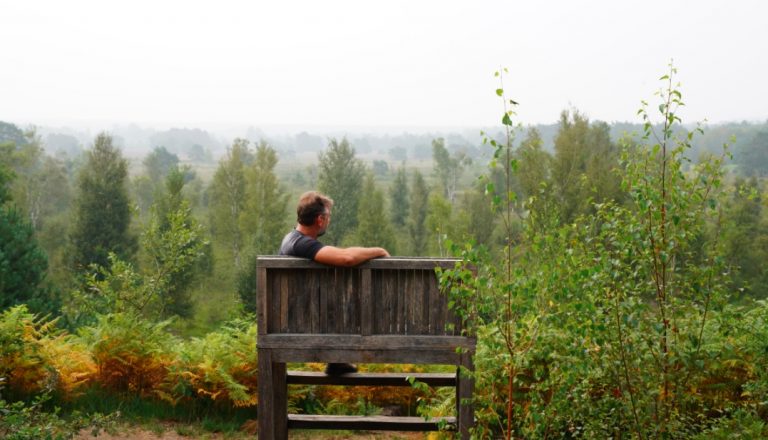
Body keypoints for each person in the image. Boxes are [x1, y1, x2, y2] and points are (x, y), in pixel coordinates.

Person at [278, 190, 389, 374]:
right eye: (328, 217)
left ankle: (337, 360)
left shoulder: (292, 239)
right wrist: (379, 251)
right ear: (320, 220)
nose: (329, 221)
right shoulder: (302, 244)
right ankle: (340, 357)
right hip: (302, 321)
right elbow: (346, 258)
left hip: (296, 314)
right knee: (356, 300)